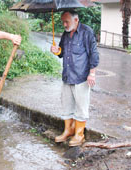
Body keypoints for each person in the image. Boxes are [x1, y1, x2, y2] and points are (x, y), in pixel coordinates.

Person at [50, 10, 99, 146]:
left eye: (67, 22)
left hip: (82, 76)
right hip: (67, 75)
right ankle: (68, 131)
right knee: (66, 105)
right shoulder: (66, 34)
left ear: (76, 20)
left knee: (81, 107)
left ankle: (79, 134)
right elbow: (62, 52)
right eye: (63, 22)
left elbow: (94, 54)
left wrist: (92, 73)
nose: (64, 24)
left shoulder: (86, 32)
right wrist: (56, 51)